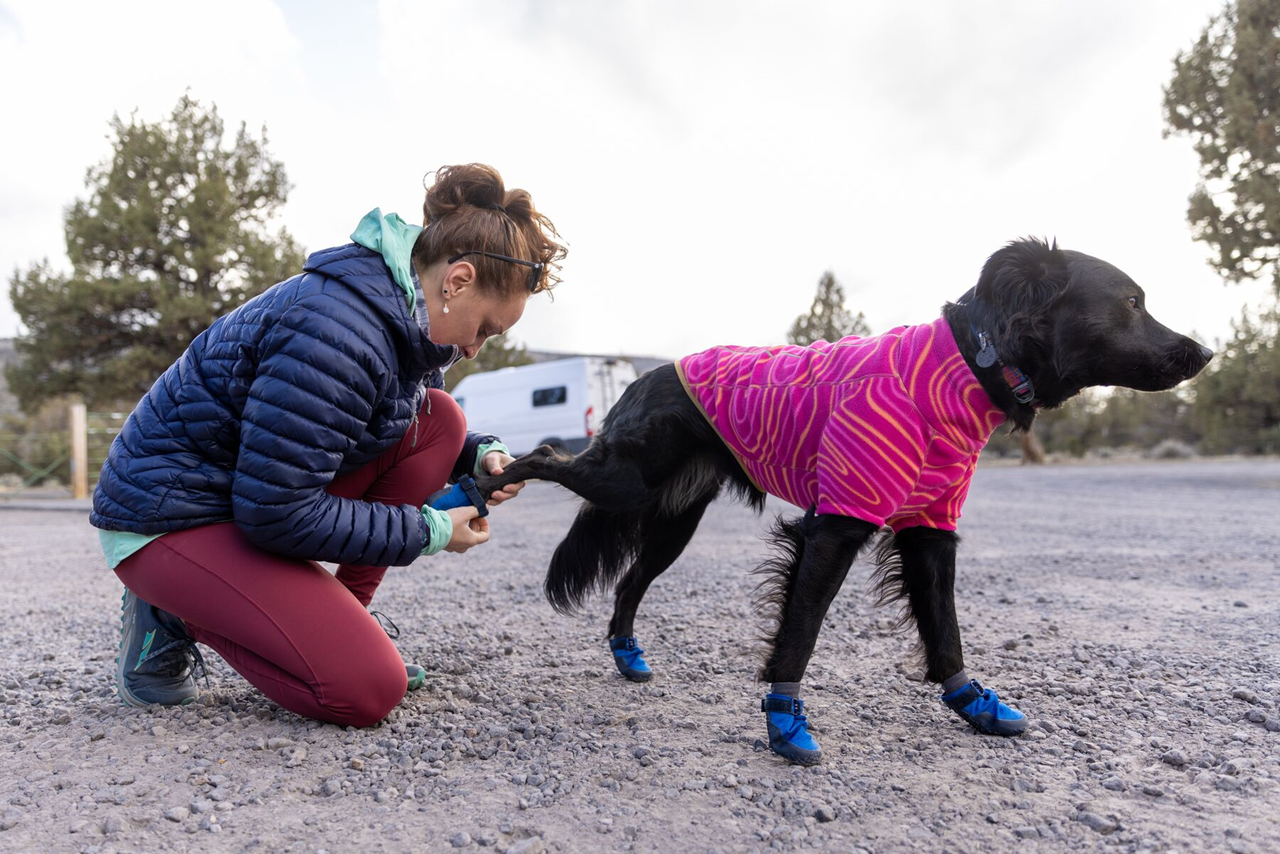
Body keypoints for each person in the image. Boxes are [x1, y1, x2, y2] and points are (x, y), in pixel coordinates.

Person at [91, 163, 565, 727]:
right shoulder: (335, 330)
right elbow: (279, 513)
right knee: (366, 690)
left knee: (442, 420)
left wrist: (482, 455)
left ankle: (338, 625)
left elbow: (399, 421)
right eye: (485, 327)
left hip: (240, 497)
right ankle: (172, 615)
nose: (476, 348)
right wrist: (431, 532)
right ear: (457, 281)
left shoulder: (404, 322)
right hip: (168, 517)